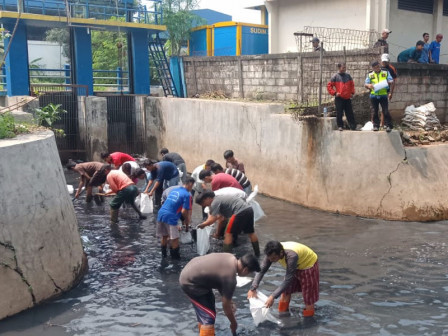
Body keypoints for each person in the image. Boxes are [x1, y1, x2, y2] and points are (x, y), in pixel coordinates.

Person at [180, 253, 260, 336]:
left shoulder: (230, 257)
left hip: (190, 271)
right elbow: (225, 306)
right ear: (245, 270)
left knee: (207, 309)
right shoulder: (230, 278)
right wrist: (233, 323)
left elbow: (219, 281)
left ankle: (204, 331)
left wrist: (230, 302)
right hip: (190, 283)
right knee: (208, 317)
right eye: (248, 273)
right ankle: (206, 332)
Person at [247, 240, 319, 318]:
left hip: (308, 265)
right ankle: (282, 316)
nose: (271, 261)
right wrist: (253, 288)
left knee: (308, 297)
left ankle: (309, 322)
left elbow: (288, 279)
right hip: (294, 265)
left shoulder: (291, 256)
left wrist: (273, 296)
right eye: (269, 258)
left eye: (274, 258)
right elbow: (261, 270)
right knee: (285, 292)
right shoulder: (271, 253)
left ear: (281, 253)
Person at [196, 191, 260, 256]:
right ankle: (257, 254)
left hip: (239, 212)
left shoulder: (215, 202)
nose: (204, 205)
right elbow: (222, 219)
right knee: (251, 233)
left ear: (208, 198)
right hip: (249, 209)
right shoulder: (220, 198)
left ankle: (227, 257)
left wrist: (203, 225)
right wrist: (217, 234)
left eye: (203, 203)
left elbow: (212, 219)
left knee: (228, 234)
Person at [157, 177, 194, 259]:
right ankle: (175, 261)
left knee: (164, 236)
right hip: (170, 216)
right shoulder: (187, 194)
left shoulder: (174, 190)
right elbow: (185, 211)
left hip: (161, 213)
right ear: (190, 184)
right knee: (174, 239)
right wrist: (187, 221)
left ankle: (164, 256)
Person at [365, 61, 394, 132]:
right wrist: (369, 85)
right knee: (374, 111)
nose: (377, 69)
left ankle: (388, 125)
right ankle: (376, 126)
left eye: (377, 67)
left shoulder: (385, 72)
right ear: (373, 68)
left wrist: (388, 82)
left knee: (385, 111)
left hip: (383, 95)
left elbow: (391, 80)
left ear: (379, 66)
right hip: (374, 95)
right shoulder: (370, 74)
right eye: (375, 68)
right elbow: (366, 84)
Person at [326, 62, 356, 131]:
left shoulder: (348, 76)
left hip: (347, 98)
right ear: (339, 68)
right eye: (343, 67)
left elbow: (352, 85)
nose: (344, 69)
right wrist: (334, 93)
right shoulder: (335, 77)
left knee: (349, 113)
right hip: (339, 98)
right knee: (339, 113)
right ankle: (340, 126)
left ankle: (353, 126)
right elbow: (329, 86)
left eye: (345, 67)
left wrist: (352, 92)